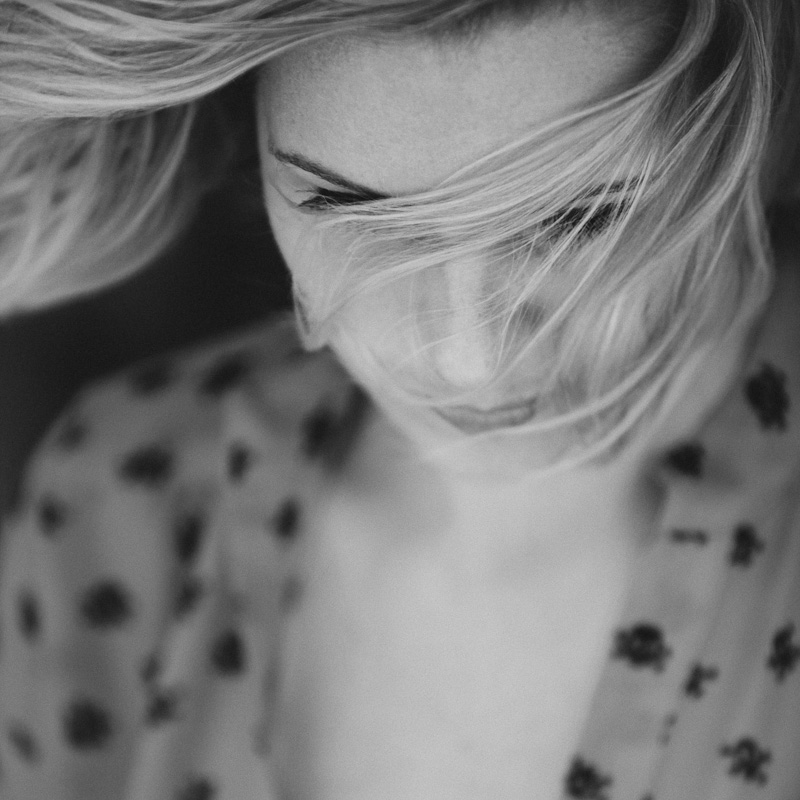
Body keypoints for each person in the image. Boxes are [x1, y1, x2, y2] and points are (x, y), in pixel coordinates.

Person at [1, 0, 800, 798]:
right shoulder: (122, 498)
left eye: (583, 218)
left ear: (763, 138)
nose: (466, 360)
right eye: (344, 207)